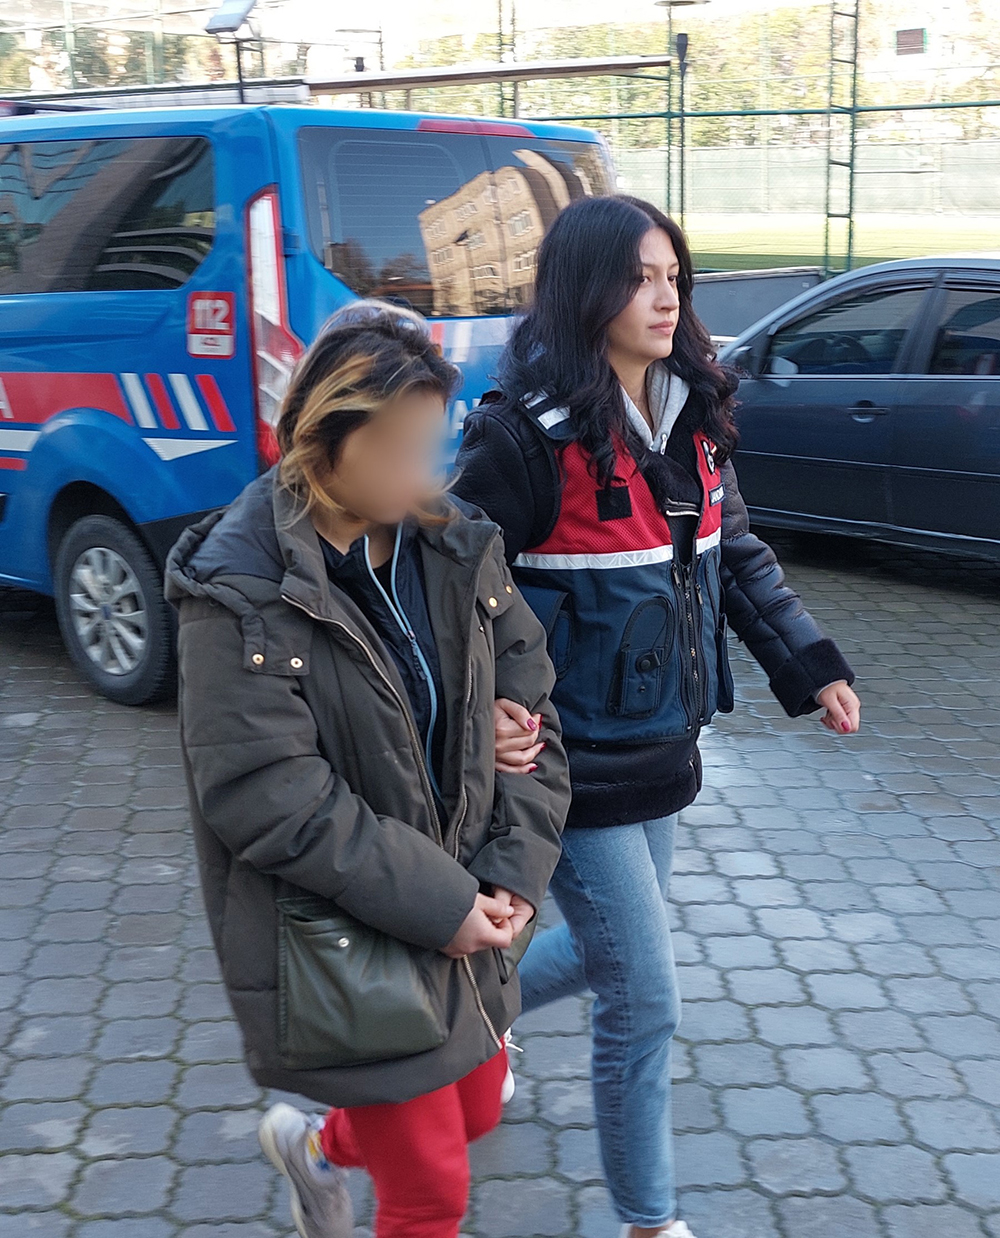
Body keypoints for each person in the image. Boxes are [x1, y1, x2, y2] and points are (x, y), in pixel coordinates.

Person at [451, 194, 862, 1238]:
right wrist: (483, 707)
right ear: (586, 291)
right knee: (645, 999)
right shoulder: (520, 439)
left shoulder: (692, 420)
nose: (665, 295)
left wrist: (811, 664)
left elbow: (739, 560)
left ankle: (472, 1011)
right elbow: (443, 592)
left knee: (611, 958)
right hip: (564, 766)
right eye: (639, 277)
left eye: (673, 274)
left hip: (662, 751)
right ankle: (648, 1220)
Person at [166, 301, 570, 1238]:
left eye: (431, 444)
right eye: (395, 449)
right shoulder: (240, 589)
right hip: (352, 934)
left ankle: (318, 1150)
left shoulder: (454, 539)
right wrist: (446, 905)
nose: (422, 472)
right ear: (319, 443)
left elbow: (534, 702)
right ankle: (344, 1157)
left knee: (477, 1111)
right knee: (431, 1196)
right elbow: (268, 796)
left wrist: (513, 873)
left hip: (468, 908)